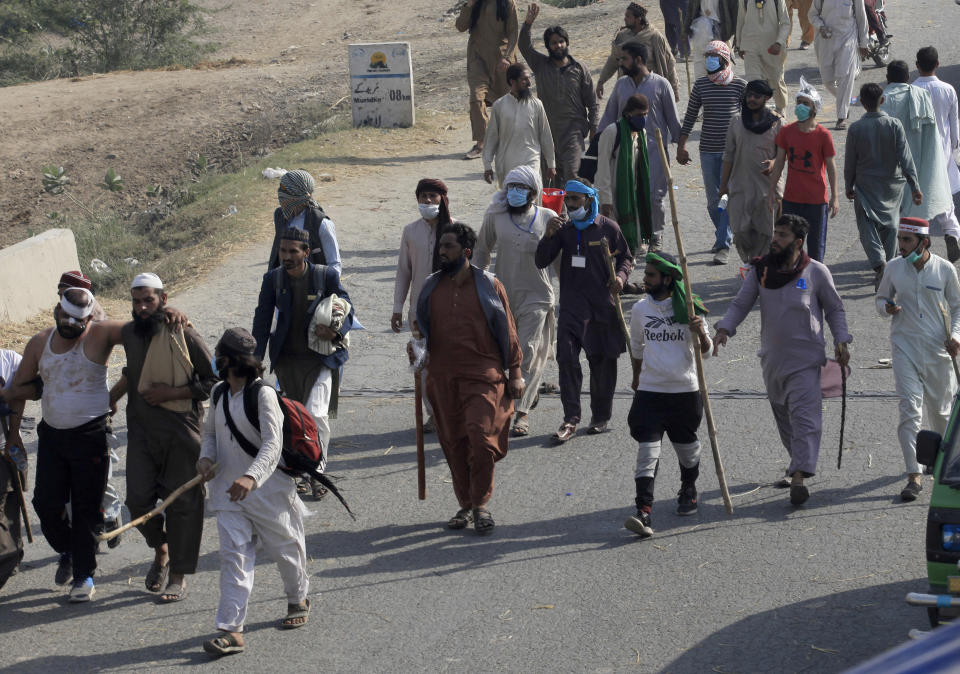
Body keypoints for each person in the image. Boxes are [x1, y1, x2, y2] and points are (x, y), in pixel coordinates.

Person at [3, 288, 185, 601]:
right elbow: (18, 387)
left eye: (79, 321)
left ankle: (84, 576)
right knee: (46, 504)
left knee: (87, 509)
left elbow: (142, 330)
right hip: (52, 435)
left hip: (91, 435)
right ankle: (70, 551)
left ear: (90, 317)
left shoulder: (100, 334)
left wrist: (169, 314)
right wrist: (20, 416)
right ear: (56, 311)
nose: (72, 326)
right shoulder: (39, 342)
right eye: (66, 318)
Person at [714, 215, 851, 505]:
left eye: (782, 235)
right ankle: (796, 461)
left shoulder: (816, 272)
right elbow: (742, 302)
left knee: (805, 417)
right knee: (785, 416)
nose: (774, 239)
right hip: (773, 360)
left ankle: (800, 476)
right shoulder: (761, 271)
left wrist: (841, 339)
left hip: (806, 360)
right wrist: (724, 328)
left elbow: (835, 309)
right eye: (775, 233)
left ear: (798, 242)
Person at [197, 328, 311, 657]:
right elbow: (209, 434)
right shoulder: (218, 393)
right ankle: (231, 631)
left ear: (231, 360)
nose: (216, 360)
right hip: (228, 496)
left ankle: (297, 598)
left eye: (220, 354)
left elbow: (273, 445)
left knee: (287, 551)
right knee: (234, 559)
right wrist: (205, 458)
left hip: (268, 493)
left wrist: (251, 477)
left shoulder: (263, 395)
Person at [108, 273, 216, 603]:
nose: (141, 307)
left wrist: (174, 392)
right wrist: (111, 397)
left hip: (182, 432)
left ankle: (179, 576)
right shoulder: (128, 332)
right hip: (141, 432)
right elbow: (133, 371)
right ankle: (162, 549)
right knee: (138, 502)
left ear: (163, 299)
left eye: (149, 300)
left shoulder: (183, 332)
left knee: (184, 504)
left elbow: (214, 380)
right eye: (136, 301)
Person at [414, 223, 524, 535]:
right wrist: (416, 349)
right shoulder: (431, 286)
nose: (441, 252)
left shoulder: (489, 285)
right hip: (442, 378)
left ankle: (481, 504)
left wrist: (515, 372)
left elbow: (508, 330)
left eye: (447, 247)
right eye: (440, 246)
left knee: (480, 437)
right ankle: (465, 504)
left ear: (465, 251)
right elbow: (420, 330)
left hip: (483, 376)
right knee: (453, 442)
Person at [252, 227, 356, 498]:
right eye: (282, 251)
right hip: (287, 362)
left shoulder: (325, 276)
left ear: (306, 252)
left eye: (292, 251)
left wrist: (335, 330)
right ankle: (300, 472)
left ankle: (317, 473)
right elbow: (262, 319)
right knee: (293, 420)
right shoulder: (273, 280)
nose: (286, 256)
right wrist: (254, 358)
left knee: (316, 415)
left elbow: (346, 305)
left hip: (320, 360)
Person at [535, 180, 634, 443]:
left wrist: (621, 279)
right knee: (566, 359)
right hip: (571, 307)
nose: (570, 205)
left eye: (576, 200)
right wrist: (548, 236)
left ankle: (600, 417)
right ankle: (571, 419)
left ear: (589, 200)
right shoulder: (563, 230)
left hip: (602, 307)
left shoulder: (607, 227)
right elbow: (540, 260)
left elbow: (626, 257)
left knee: (602, 363)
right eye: (568, 200)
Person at [624, 252, 711, 538]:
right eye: (646, 274)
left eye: (650, 275)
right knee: (647, 451)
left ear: (668, 278)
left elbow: (708, 352)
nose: (645, 280)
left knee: (687, 449)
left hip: (685, 391)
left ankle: (689, 488)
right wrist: (637, 377)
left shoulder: (690, 306)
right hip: (651, 391)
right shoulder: (639, 309)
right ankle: (643, 511)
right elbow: (636, 347)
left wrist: (701, 333)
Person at [875, 217, 960, 502]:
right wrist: (887, 308)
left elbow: (958, 307)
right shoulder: (893, 268)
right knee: (910, 410)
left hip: (939, 352)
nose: (901, 246)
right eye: (899, 240)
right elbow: (880, 299)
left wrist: (957, 337)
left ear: (924, 242)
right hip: (904, 348)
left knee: (942, 414)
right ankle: (914, 474)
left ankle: (943, 465)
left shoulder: (945, 270)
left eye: (907, 241)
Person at [475, 166, 557, 436]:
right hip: (502, 296)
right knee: (504, 354)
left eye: (521, 189)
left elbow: (560, 263)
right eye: (510, 187)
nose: (514, 193)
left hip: (538, 296)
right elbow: (481, 252)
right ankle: (514, 397)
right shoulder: (495, 216)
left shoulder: (548, 218)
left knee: (527, 352)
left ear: (534, 193)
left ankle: (521, 414)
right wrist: (476, 288)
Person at [55, 270, 122, 542]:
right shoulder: (59, 312)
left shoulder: (94, 318)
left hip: (92, 402)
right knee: (67, 481)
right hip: (63, 403)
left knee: (98, 474)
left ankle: (110, 514)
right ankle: (76, 541)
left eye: (65, 290)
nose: (60, 296)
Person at [598, 42, 681, 253]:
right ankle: (637, 237)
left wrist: (681, 147)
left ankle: (656, 234)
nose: (621, 63)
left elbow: (673, 120)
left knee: (654, 196)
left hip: (655, 152)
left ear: (639, 60)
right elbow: (609, 115)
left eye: (624, 59)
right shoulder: (621, 85)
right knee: (631, 195)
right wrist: (598, 141)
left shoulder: (661, 85)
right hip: (626, 153)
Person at [392, 178, 455, 433]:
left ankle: (452, 412)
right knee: (424, 364)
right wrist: (397, 307)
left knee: (450, 363)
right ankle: (434, 414)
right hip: (419, 310)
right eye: (423, 197)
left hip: (451, 309)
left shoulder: (455, 230)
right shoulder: (410, 231)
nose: (427, 201)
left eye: (432, 197)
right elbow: (403, 271)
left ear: (442, 199)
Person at [844, 82, 922, 286]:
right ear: (882, 100)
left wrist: (848, 184)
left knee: (866, 226)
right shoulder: (894, 125)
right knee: (891, 226)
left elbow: (850, 161)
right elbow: (906, 158)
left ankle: (880, 265)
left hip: (865, 185)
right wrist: (915, 186)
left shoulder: (856, 128)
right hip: (892, 186)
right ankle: (887, 267)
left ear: (862, 103)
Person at [677, 41, 747, 265]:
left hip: (732, 152)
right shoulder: (700, 85)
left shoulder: (740, 86)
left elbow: (749, 119)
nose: (709, 59)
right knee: (712, 201)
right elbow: (689, 116)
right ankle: (724, 235)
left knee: (726, 196)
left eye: (713, 55)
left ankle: (723, 244)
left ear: (725, 59)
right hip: (707, 149)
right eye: (706, 55)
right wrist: (682, 145)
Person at [883, 60, 960, 264]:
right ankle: (950, 232)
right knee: (938, 195)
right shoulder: (923, 95)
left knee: (905, 205)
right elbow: (935, 130)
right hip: (928, 154)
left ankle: (915, 242)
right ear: (907, 77)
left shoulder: (886, 99)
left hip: (898, 162)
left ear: (888, 79)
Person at [519, 4, 598, 185]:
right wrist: (528, 24)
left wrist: (594, 127)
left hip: (573, 132)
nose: (558, 45)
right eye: (554, 43)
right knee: (552, 181)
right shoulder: (540, 65)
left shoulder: (579, 69)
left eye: (561, 41)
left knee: (573, 176)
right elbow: (524, 46)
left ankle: (580, 213)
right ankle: (558, 214)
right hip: (547, 132)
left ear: (567, 43)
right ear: (548, 46)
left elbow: (592, 102)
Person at [767, 77, 839, 262]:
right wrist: (771, 192)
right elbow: (779, 163)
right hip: (792, 198)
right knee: (788, 246)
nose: (801, 106)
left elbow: (831, 167)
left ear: (814, 108)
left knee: (816, 249)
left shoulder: (823, 135)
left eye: (805, 103)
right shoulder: (786, 132)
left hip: (816, 200)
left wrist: (835, 197)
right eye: (799, 102)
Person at [719, 79, 783, 267]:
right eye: (749, 95)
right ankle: (751, 264)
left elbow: (783, 154)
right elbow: (728, 155)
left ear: (767, 98)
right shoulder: (737, 122)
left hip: (767, 188)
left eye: (757, 96)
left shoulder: (778, 123)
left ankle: (760, 270)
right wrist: (723, 186)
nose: (751, 100)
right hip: (740, 186)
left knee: (766, 233)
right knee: (740, 232)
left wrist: (773, 162)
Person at [456, 0, 521, 160]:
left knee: (508, 103)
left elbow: (514, 32)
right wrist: (469, 5)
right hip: (477, 59)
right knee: (476, 98)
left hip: (501, 60)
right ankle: (481, 143)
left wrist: (507, 57)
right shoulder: (474, 4)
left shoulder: (507, 3)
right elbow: (460, 26)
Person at [913, 47, 960, 263]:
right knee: (944, 198)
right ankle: (952, 232)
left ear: (917, 66)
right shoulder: (948, 89)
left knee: (919, 201)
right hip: (943, 152)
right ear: (937, 64)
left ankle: (919, 241)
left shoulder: (911, 90)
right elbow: (954, 125)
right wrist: (952, 147)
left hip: (920, 153)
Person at [482, 63, 557, 190]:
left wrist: (551, 164)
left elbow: (545, 135)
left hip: (531, 159)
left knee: (531, 196)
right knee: (512, 200)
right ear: (512, 81)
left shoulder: (536, 104)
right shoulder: (499, 105)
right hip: (507, 162)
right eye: (524, 79)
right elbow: (492, 137)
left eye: (529, 78)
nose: (529, 83)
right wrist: (487, 165)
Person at [596, 94, 654, 254]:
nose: (643, 118)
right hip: (613, 193)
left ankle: (627, 261)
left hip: (632, 193)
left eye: (645, 114)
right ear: (628, 113)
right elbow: (602, 168)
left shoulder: (641, 134)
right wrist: (605, 199)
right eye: (639, 114)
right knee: (613, 236)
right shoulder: (612, 132)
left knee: (631, 236)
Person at [596, 3, 680, 103]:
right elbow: (613, 60)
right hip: (628, 88)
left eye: (628, 16)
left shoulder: (654, 36)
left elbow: (669, 63)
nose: (624, 19)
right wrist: (601, 81)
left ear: (638, 19)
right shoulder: (621, 37)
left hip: (652, 89)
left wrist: (674, 90)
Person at [267, 170, 342, 274]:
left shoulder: (321, 223)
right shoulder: (280, 216)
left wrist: (326, 286)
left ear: (298, 193)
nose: (280, 194)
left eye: (285, 190)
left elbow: (334, 264)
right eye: (280, 188)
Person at [808, 0, 869, 129]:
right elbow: (812, 15)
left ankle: (842, 116)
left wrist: (864, 43)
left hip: (847, 39)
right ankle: (845, 100)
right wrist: (821, 26)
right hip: (825, 41)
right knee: (827, 81)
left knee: (845, 76)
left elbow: (861, 18)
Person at [734, 0, 789, 114]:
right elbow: (740, 20)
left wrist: (779, 42)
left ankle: (780, 110)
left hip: (772, 48)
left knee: (776, 82)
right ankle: (757, 114)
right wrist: (739, 44)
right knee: (754, 82)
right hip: (750, 46)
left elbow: (785, 23)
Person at [0, 349, 26, 589]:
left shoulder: (10, 361)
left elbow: (27, 391)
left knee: (9, 502)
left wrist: (14, 432)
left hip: (5, 445)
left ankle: (11, 554)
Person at [683, 0, 739, 77]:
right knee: (700, 65)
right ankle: (703, 87)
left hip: (721, 32)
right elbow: (691, 9)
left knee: (721, 67)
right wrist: (685, 31)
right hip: (701, 31)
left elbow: (735, 11)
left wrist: (737, 34)